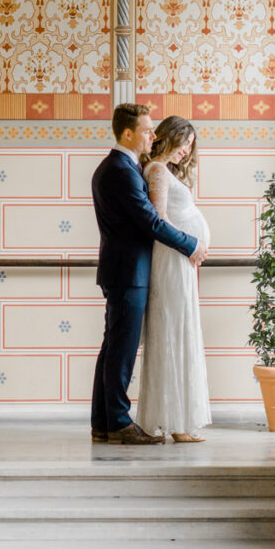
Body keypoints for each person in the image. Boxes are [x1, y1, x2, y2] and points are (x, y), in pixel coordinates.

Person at [90, 103, 208, 445]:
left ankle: (103, 422)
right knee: (121, 352)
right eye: (146, 130)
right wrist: (191, 245)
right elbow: (152, 221)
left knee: (113, 348)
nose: (152, 136)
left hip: (125, 270)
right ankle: (119, 423)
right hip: (129, 272)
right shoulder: (121, 171)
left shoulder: (118, 167)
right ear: (128, 134)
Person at [136, 116, 212, 442]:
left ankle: (179, 421)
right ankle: (174, 423)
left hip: (180, 262)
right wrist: (190, 245)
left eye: (190, 147)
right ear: (169, 137)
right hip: (172, 260)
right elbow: (160, 219)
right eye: (184, 143)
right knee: (173, 331)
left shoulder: (164, 171)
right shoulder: (157, 170)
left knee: (180, 330)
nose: (185, 151)